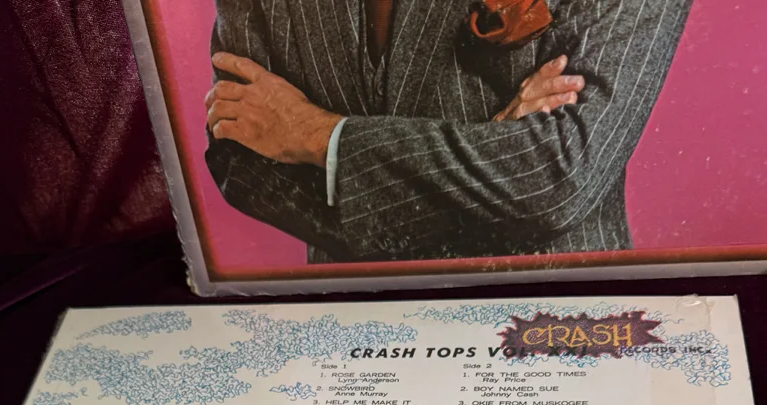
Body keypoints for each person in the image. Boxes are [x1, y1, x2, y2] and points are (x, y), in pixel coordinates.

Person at [204, 0, 693, 263]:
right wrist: (489, 151)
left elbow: (557, 180)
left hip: (544, 320)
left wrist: (323, 139)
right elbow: (241, 159)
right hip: (356, 322)